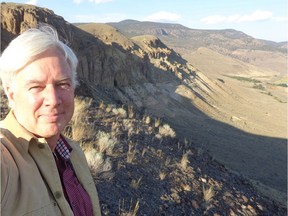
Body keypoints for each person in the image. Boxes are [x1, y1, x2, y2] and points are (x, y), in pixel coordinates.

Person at [0, 25, 101, 216]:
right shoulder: (5, 159)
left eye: (62, 84)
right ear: (11, 94)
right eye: (36, 86)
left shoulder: (73, 153)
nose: (53, 100)